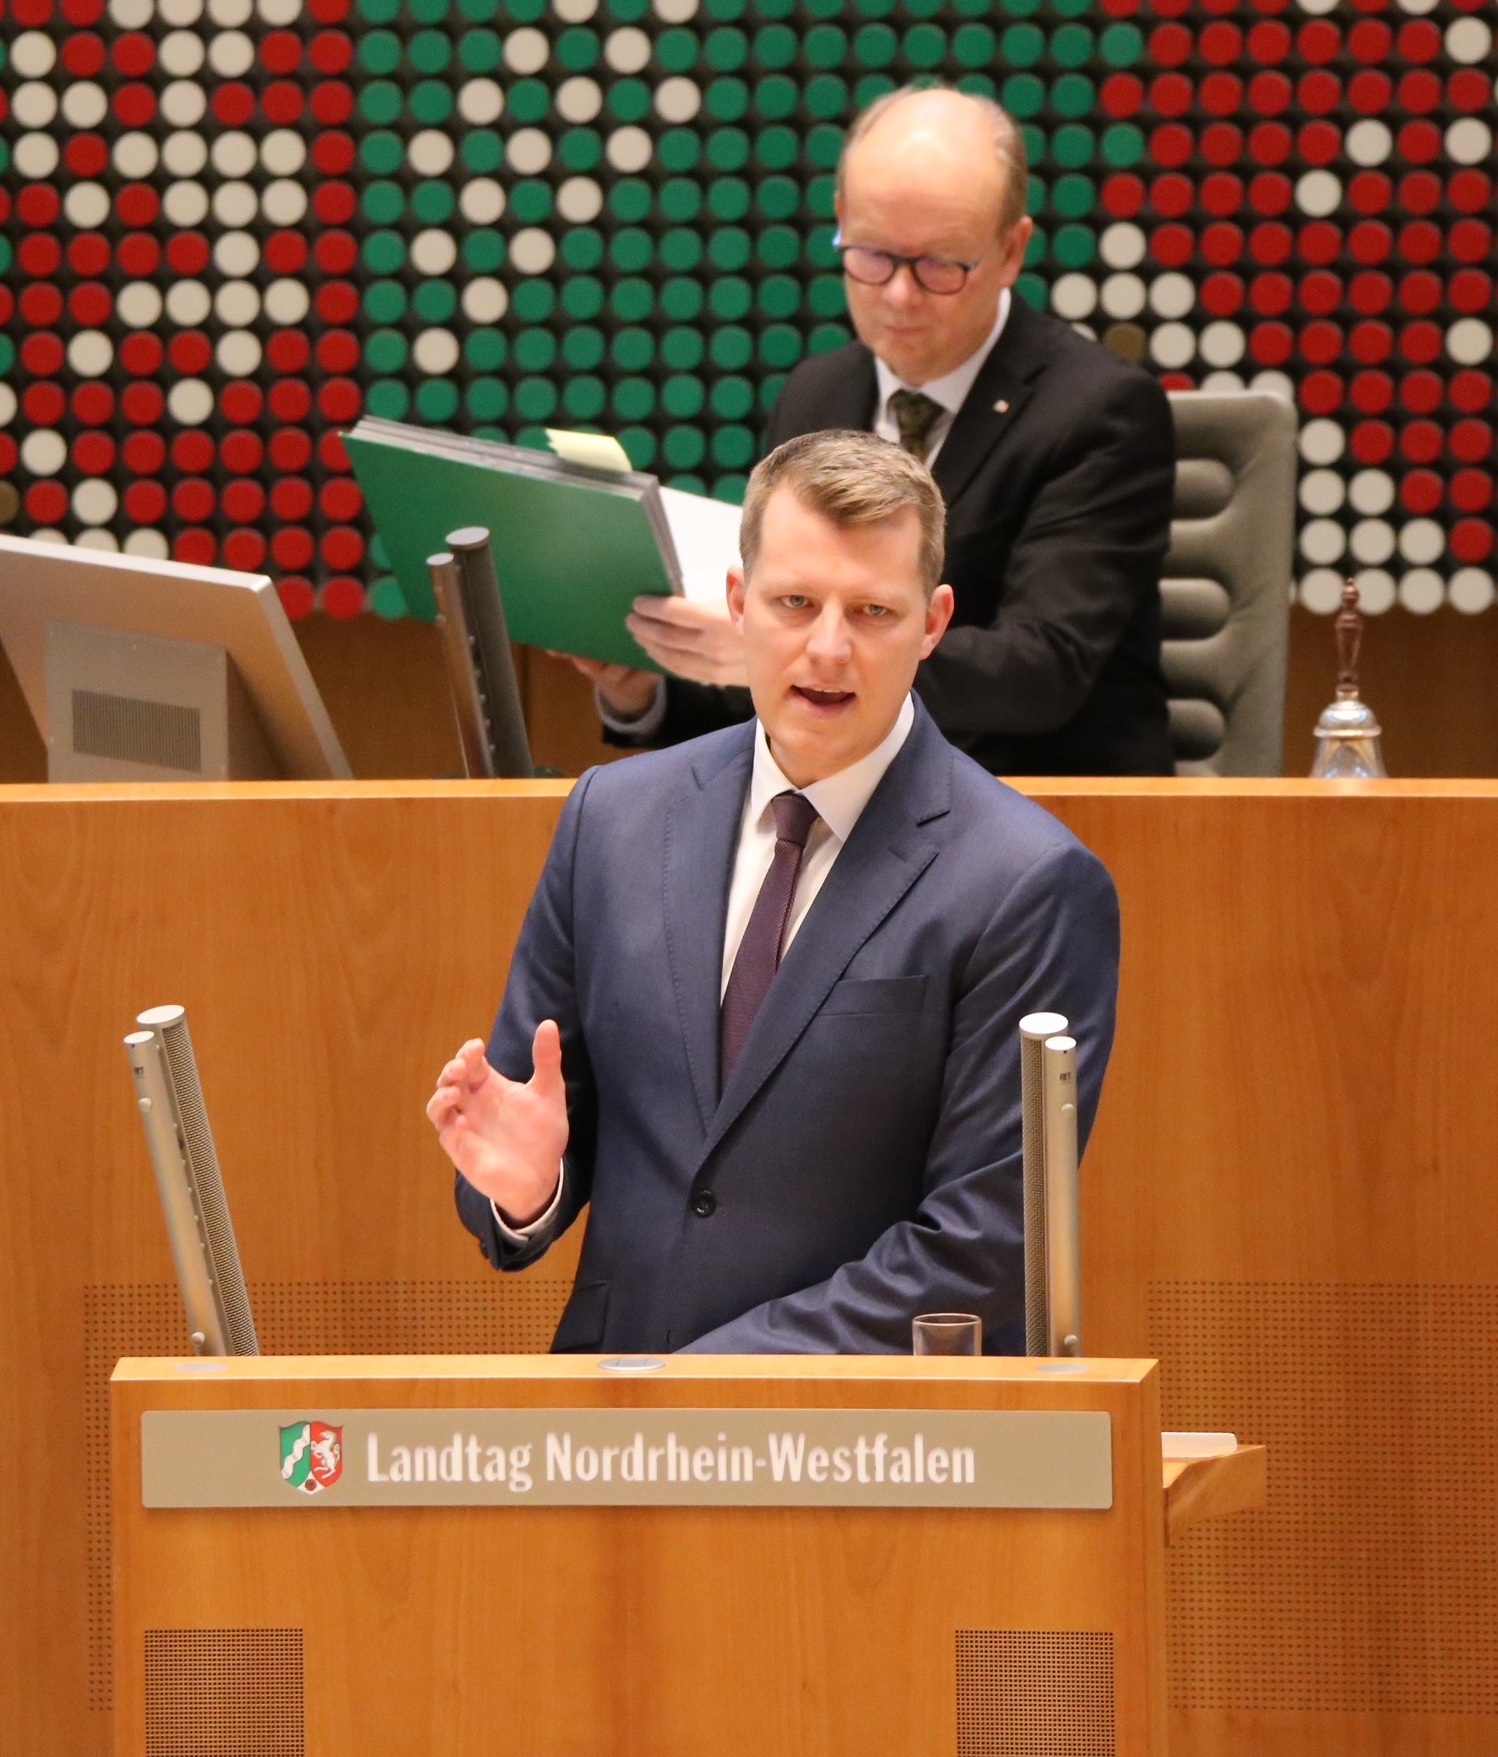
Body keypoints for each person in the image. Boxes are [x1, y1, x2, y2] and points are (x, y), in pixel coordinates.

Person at [429, 430, 1121, 1354]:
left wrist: (703, 1391)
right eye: (794, 602)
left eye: (873, 612)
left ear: (933, 622)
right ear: (737, 602)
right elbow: (538, 1129)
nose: (828, 649)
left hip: (867, 1455)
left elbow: (981, 1249)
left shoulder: (1027, 883)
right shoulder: (613, 817)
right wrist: (526, 1190)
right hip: (609, 1439)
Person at [577, 85, 1178, 777]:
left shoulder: (1099, 409)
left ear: (1012, 251)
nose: (898, 295)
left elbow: (1041, 672)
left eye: (939, 266)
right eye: (872, 256)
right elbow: (781, 696)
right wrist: (649, 691)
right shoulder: (818, 394)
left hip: (1046, 815)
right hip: (847, 818)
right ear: (840, 221)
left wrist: (769, 651)